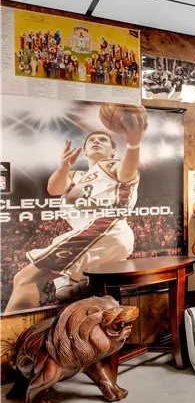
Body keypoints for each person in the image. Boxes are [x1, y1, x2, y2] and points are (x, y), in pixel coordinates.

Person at [5, 112, 147, 312]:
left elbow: (127, 172)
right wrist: (63, 167)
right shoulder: (75, 175)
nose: (96, 141)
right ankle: (95, 309)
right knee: (65, 295)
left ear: (113, 152)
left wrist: (133, 145)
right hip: (91, 235)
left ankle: (8, 341)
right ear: (85, 151)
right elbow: (54, 189)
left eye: (103, 140)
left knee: (25, 279)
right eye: (92, 140)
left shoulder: (112, 166)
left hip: (106, 229)